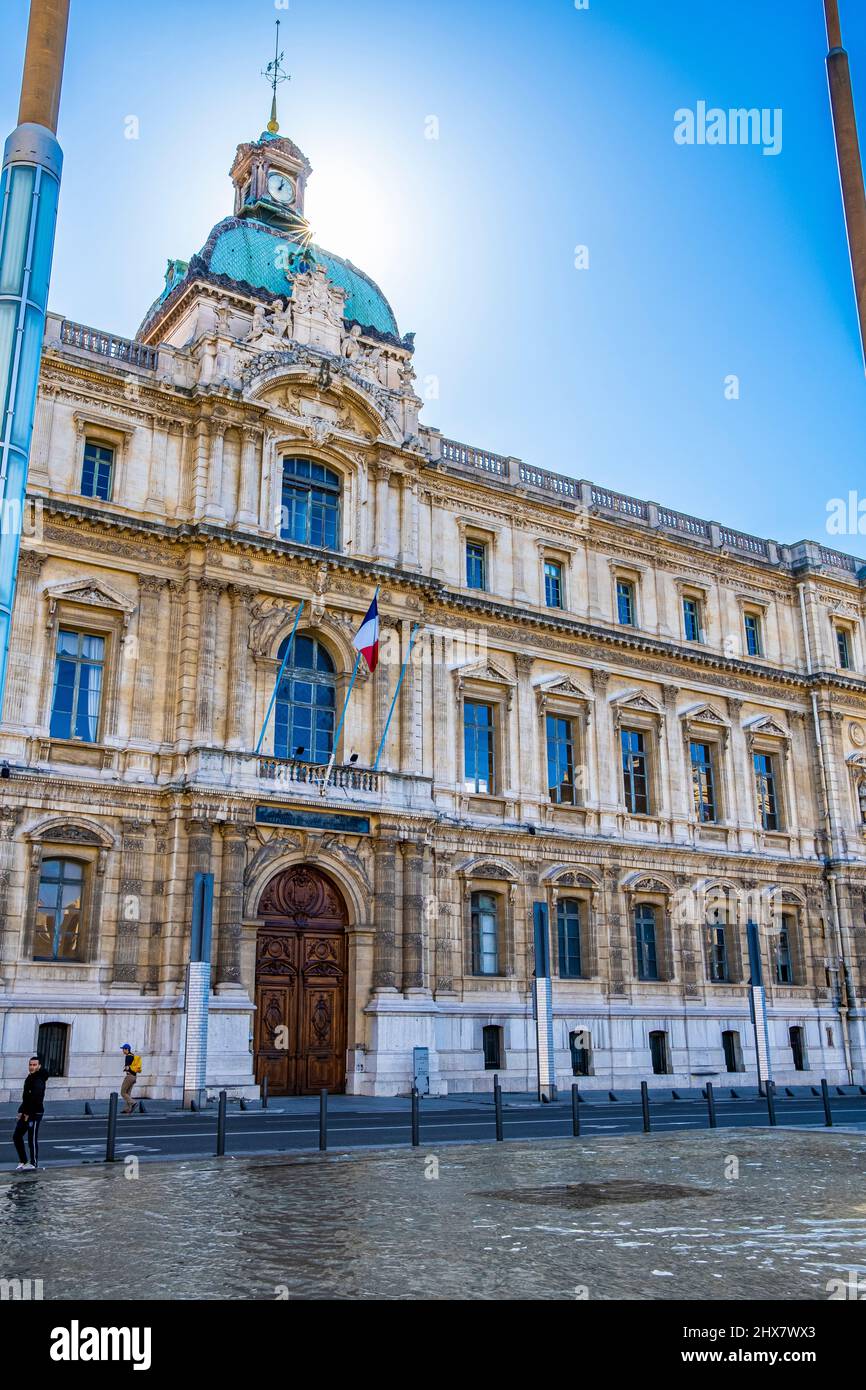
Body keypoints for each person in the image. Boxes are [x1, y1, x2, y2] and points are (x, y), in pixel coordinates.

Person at [13, 1056, 46, 1171]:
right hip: (26, 1111)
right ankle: (23, 1160)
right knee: (17, 1136)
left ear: (39, 1066)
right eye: (30, 1064)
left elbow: (35, 1099)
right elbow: (26, 1097)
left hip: (35, 1113)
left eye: (34, 1065)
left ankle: (33, 1163)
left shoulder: (39, 1080)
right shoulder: (30, 1077)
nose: (32, 1067)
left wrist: (27, 1114)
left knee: (32, 1138)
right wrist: (20, 1111)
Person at [120, 1043, 142, 1114]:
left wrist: (126, 1069)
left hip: (129, 1076)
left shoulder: (128, 1057)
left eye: (123, 1049)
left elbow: (127, 1067)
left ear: (127, 1049)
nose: (122, 1051)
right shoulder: (133, 1056)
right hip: (134, 1077)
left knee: (123, 1092)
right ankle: (128, 1109)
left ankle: (134, 1103)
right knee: (128, 1093)